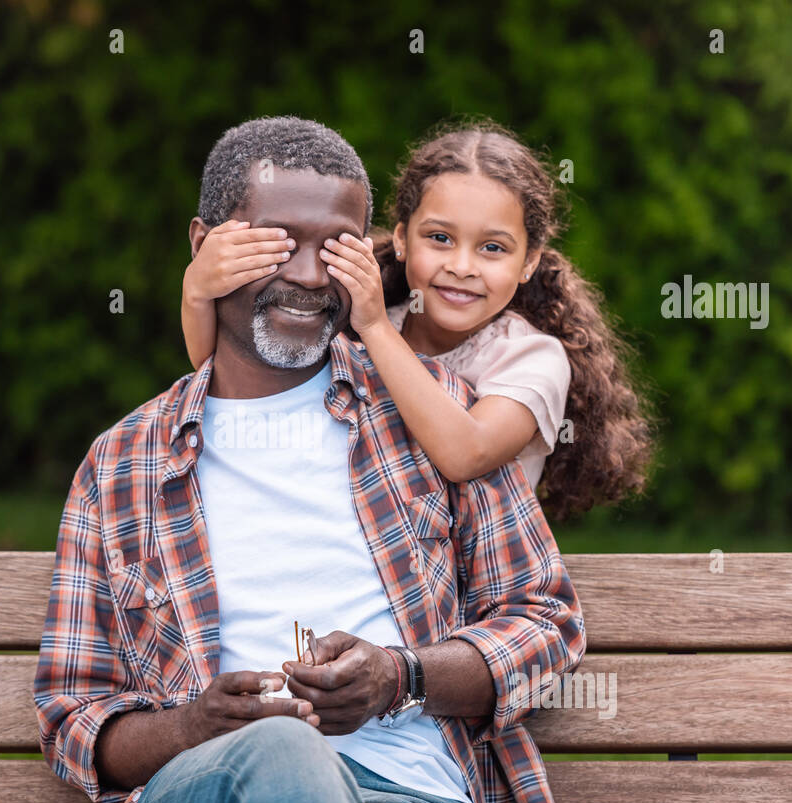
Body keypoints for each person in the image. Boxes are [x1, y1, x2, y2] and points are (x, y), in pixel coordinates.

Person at [34, 115, 586, 803]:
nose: (305, 273)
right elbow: (75, 714)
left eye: (331, 249)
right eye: (276, 243)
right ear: (206, 248)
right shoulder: (124, 464)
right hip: (189, 796)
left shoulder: (428, 416)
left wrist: (400, 675)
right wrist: (192, 726)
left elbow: (545, 621)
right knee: (283, 750)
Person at [181, 118, 655, 519]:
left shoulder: (530, 357)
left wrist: (373, 329)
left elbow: (464, 454)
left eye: (493, 248)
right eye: (440, 238)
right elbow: (227, 376)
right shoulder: (378, 316)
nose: (463, 265)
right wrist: (198, 292)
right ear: (404, 238)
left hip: (471, 583)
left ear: (529, 261)